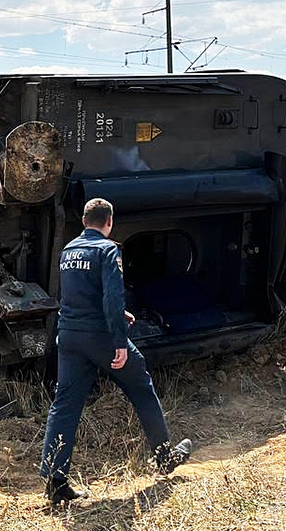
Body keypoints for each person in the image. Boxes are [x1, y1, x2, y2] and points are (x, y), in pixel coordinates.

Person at [40, 198, 191, 504]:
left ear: (84, 222)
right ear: (109, 222)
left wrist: (118, 314)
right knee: (141, 387)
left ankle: (55, 482)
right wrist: (120, 340)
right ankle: (164, 457)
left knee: (65, 405)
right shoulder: (108, 250)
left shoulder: (68, 251)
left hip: (69, 336)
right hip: (101, 338)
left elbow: (76, 295)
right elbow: (111, 295)